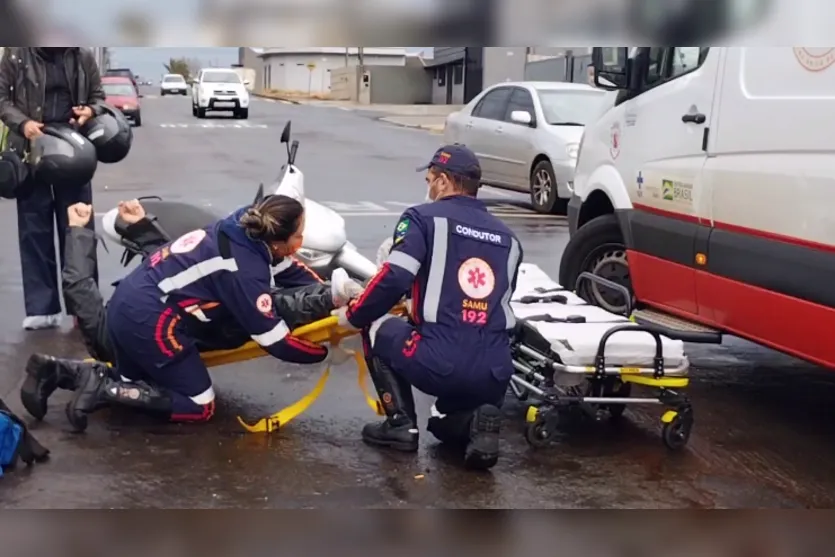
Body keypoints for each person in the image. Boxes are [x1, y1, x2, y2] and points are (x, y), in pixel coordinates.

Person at [21, 195, 363, 431]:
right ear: (280, 239)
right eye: (299, 235)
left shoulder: (243, 224)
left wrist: (333, 286)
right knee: (199, 404)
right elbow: (273, 339)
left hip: (130, 304)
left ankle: (61, 373)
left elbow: (292, 270)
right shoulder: (244, 270)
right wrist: (321, 352)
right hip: (152, 322)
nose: (301, 241)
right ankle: (104, 390)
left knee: (137, 384)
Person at [333, 145, 523, 470]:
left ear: (445, 182)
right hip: (495, 371)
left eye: (431, 178)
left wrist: (353, 315)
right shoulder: (510, 239)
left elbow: (394, 276)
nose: (429, 185)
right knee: (442, 425)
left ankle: (400, 425)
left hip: (441, 362)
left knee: (375, 322)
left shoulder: (422, 218)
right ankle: (477, 421)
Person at [0, 47, 107, 331]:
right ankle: (41, 308)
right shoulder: (16, 55)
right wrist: (22, 123)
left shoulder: (82, 56)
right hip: (31, 150)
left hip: (75, 151)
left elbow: (98, 97)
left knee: (78, 229)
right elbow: (1, 99)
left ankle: (83, 308)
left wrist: (90, 110)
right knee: (34, 229)